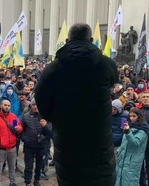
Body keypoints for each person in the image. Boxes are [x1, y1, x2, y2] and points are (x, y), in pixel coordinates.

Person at [35, 23, 118, 185]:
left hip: (69, 139)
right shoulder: (106, 64)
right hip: (98, 140)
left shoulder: (54, 68)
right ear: (91, 40)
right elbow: (113, 81)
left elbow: (41, 97)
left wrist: (55, 117)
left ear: (67, 40)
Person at [0, 98, 23, 186]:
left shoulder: (13, 116)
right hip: (1, 148)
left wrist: (18, 128)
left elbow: (18, 126)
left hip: (12, 147)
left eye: (8, 105)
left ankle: (12, 182)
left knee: (12, 167)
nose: (7, 107)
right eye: (5, 105)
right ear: (0, 106)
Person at [21, 99, 52, 186]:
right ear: (31, 105)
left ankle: (37, 180)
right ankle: (27, 182)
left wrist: (45, 126)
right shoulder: (25, 116)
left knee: (39, 165)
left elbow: (51, 132)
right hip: (29, 145)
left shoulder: (46, 117)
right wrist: (24, 138)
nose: (35, 107)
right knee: (28, 166)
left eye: (37, 105)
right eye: (34, 105)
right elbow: (21, 129)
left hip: (41, 146)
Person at [115, 108, 149, 186]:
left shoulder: (143, 129)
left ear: (139, 116)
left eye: (134, 116)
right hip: (123, 158)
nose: (132, 118)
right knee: (119, 178)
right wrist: (120, 150)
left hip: (133, 160)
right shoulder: (128, 126)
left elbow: (135, 143)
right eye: (130, 116)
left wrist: (128, 132)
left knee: (130, 181)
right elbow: (124, 142)